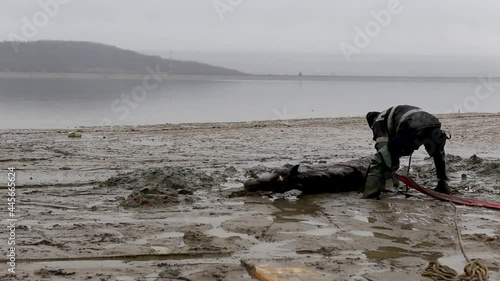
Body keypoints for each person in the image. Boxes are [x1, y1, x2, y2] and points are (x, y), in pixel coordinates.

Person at [362, 105, 452, 199]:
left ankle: (370, 197)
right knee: (438, 156)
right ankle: (443, 184)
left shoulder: (378, 120)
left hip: (410, 126)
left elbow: (382, 148)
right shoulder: (395, 113)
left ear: (372, 121)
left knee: (380, 160)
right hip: (433, 124)